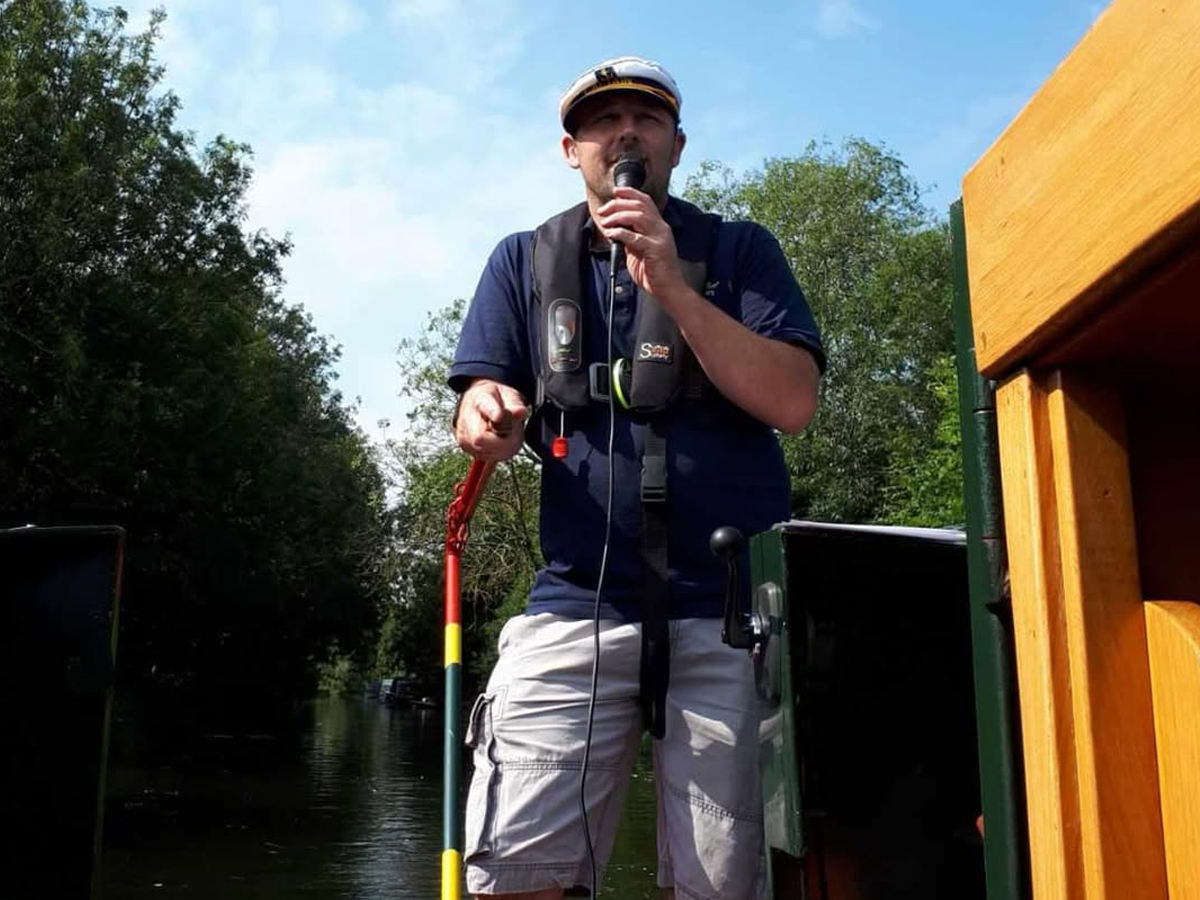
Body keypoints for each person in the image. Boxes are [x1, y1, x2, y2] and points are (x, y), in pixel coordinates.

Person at [448, 55, 825, 900]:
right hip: (578, 600)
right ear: (570, 148)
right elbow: (480, 406)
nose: (623, 133)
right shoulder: (521, 260)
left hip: (728, 618)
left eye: (645, 119)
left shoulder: (740, 251)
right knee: (516, 877)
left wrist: (673, 289)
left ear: (677, 146)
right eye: (601, 120)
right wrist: (485, 412)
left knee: (725, 886)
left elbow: (792, 402)